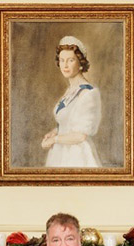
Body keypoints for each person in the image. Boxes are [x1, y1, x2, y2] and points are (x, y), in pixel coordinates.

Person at [43, 36, 102, 168]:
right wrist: (55, 131)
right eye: (62, 60)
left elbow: (81, 135)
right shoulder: (70, 90)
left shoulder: (89, 93)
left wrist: (55, 139)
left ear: (80, 63)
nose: (65, 65)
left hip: (76, 154)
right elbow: (69, 122)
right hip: (60, 151)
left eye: (70, 60)